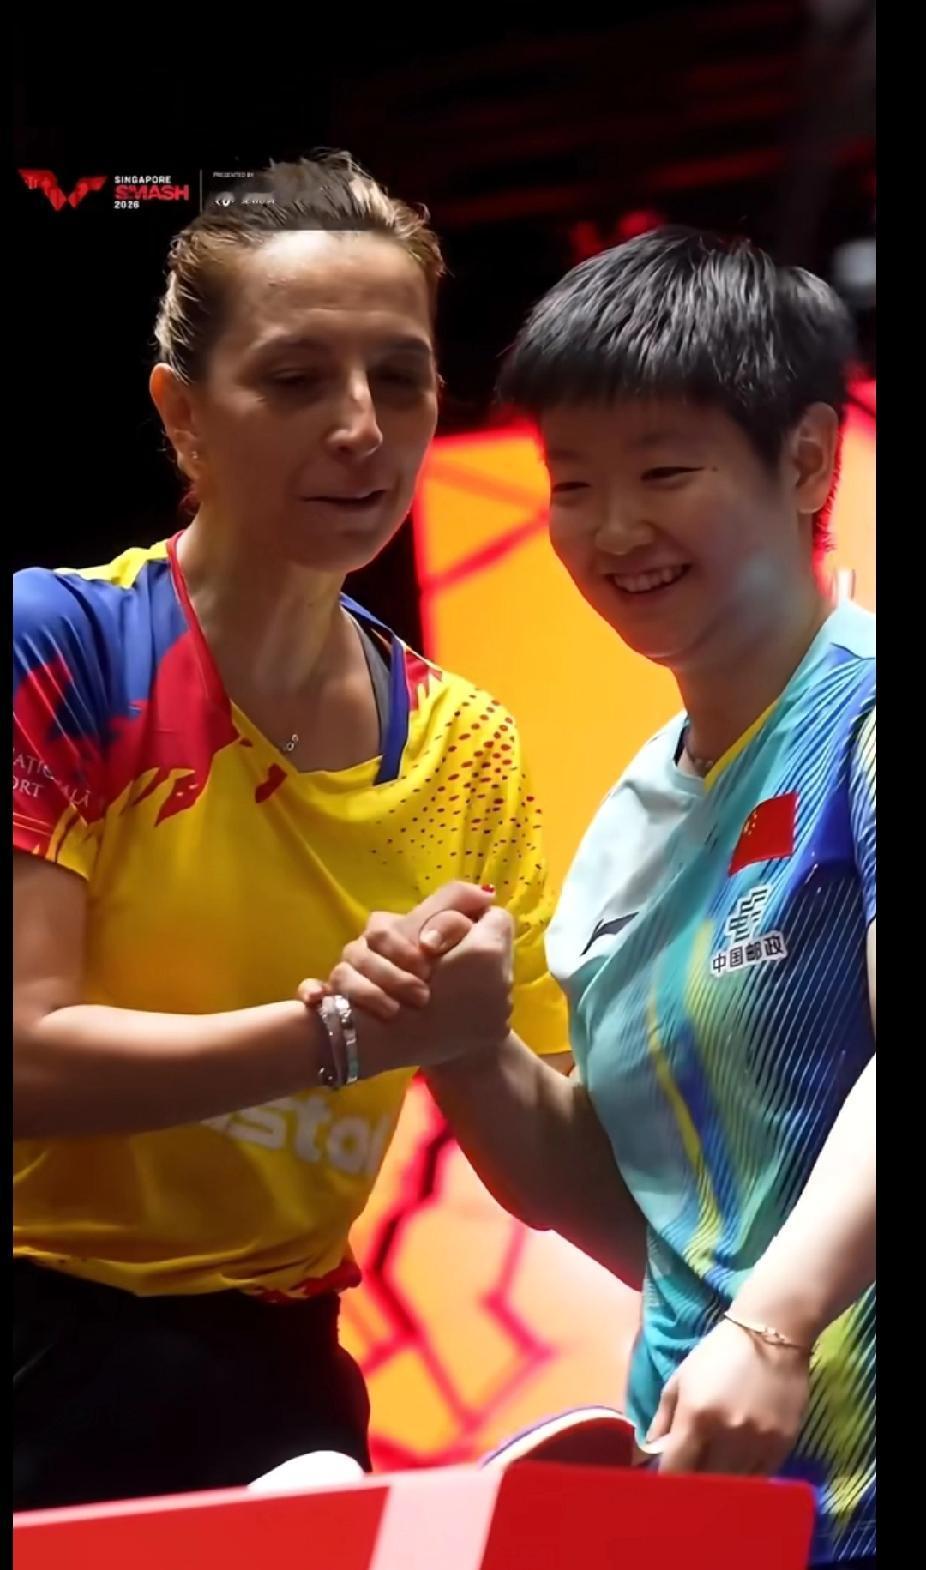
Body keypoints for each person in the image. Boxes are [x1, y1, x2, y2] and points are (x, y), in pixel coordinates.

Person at [12, 154, 570, 1511]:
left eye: (401, 377)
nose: (363, 427)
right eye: (297, 377)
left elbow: (545, 1161)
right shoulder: (62, 647)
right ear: (183, 415)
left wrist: (476, 1040)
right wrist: (342, 1035)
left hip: (283, 1373)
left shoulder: (468, 750)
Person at [316, 229, 876, 1567]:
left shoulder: (860, 722)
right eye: (571, 484)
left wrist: (774, 1324)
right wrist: (460, 1042)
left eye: (663, 473)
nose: (613, 529)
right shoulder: (628, 824)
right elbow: (642, 1219)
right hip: (722, 1508)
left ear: (806, 460)